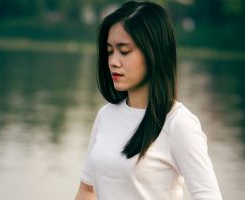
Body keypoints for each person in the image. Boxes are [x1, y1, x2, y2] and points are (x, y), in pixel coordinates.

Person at [75, 1, 222, 200]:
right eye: (110, 51)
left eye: (124, 51)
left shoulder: (178, 123)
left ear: (154, 52)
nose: (113, 61)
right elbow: (87, 189)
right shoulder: (106, 115)